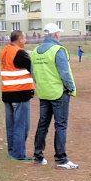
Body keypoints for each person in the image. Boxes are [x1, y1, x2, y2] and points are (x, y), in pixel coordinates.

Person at [31, 23, 79, 169]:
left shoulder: (35, 51)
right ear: (56, 34)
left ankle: (38, 156)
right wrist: (71, 88)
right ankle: (61, 159)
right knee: (61, 125)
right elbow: (65, 72)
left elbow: (33, 73)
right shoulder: (58, 49)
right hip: (58, 92)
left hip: (44, 92)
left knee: (43, 124)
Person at [0, 30, 35, 161]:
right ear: (20, 39)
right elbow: (32, 69)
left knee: (11, 125)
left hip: (8, 92)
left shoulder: (5, 51)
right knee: (22, 125)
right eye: (25, 38)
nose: (25, 41)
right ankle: (18, 153)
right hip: (20, 93)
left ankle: (12, 150)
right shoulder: (19, 52)